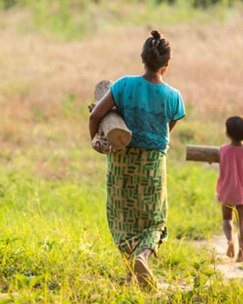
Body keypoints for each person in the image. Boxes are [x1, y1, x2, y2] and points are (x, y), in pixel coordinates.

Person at [88, 30, 185, 290]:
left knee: (122, 215)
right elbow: (169, 125)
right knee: (155, 219)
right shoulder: (174, 96)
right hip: (153, 163)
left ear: (142, 58)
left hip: (122, 161)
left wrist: (96, 140)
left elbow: (95, 115)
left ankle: (131, 270)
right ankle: (142, 258)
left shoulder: (123, 85)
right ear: (167, 64)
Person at [216, 116, 243, 263]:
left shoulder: (223, 150)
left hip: (227, 191)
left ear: (227, 133)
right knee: (242, 223)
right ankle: (241, 254)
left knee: (227, 219)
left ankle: (229, 242)